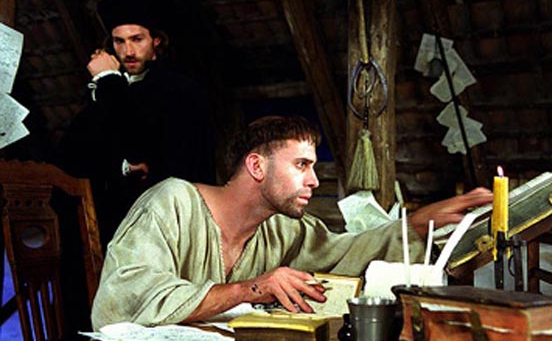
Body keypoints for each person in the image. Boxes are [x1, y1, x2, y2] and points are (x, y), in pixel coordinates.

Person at [91, 115, 492, 330]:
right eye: (301, 165)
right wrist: (252, 288)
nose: (314, 181)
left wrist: (416, 225)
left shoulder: (282, 228)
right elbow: (128, 299)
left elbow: (345, 254)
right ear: (256, 166)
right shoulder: (171, 202)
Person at [55, 0, 215, 249]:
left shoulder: (180, 89)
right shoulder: (110, 89)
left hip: (164, 222)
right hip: (110, 221)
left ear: (156, 42)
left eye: (137, 40)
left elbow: (142, 145)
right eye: (119, 41)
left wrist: (108, 80)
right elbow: (72, 155)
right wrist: (122, 167)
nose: (128, 51)